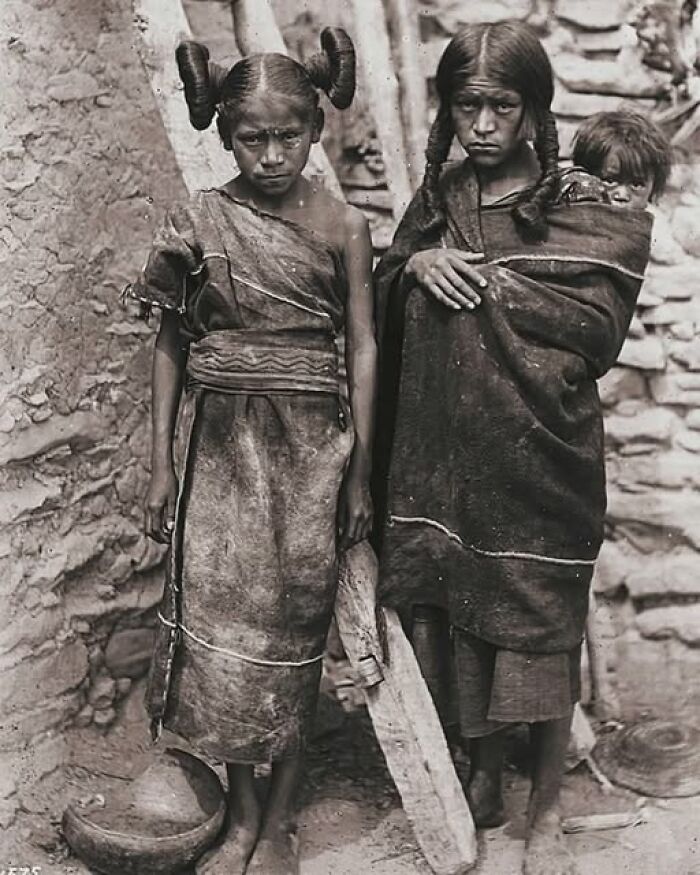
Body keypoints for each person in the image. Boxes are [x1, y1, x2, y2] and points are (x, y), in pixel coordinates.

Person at [373, 21, 653, 875]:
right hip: (450, 460)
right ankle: (484, 783)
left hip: (541, 454)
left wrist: (496, 286)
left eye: (503, 105)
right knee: (460, 616)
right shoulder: (443, 202)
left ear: (535, 110)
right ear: (448, 112)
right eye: (468, 107)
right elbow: (387, 283)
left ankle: (550, 811)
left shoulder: (584, 210)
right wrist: (416, 269)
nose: (485, 125)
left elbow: (599, 329)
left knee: (539, 627)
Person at [126, 28, 376, 875]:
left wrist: (360, 471)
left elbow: (364, 347)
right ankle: (238, 813)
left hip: (312, 451)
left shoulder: (345, 226)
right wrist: (160, 462)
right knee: (220, 632)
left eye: (289, 135)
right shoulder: (199, 219)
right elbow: (167, 340)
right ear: (223, 135)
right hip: (221, 449)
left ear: (316, 129)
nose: (271, 154)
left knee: (297, 629)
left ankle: (278, 821)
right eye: (250, 137)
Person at [571, 109, 672, 208]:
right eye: (609, 181)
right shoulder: (566, 220)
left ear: (653, 188)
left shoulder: (658, 224)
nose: (622, 196)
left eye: (637, 185)